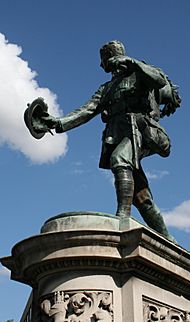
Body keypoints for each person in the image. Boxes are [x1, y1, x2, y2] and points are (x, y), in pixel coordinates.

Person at [33, 40, 181, 242]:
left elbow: (158, 81)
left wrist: (132, 62)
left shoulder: (139, 73)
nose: (103, 65)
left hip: (143, 131)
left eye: (105, 60)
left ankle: (123, 217)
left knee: (119, 159)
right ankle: (168, 240)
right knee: (142, 197)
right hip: (121, 133)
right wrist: (57, 123)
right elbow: (86, 111)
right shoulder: (106, 89)